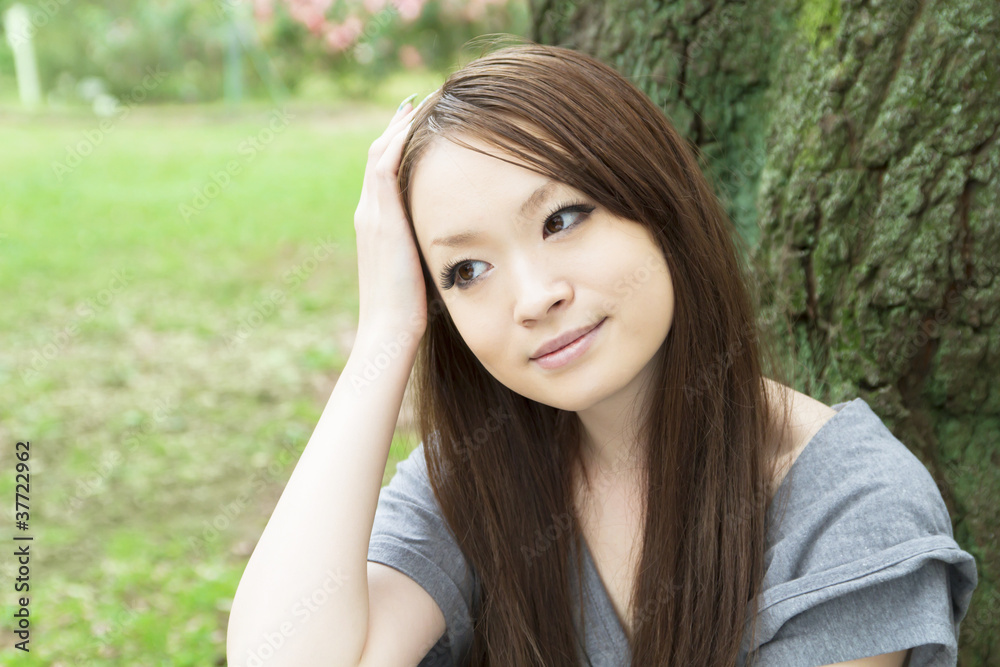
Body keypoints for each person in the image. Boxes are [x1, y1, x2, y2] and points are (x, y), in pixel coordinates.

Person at [226, 41, 978, 667]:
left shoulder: (846, 506)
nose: (532, 296)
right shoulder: (479, 473)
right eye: (466, 270)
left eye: (563, 217)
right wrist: (387, 330)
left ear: (661, 205)